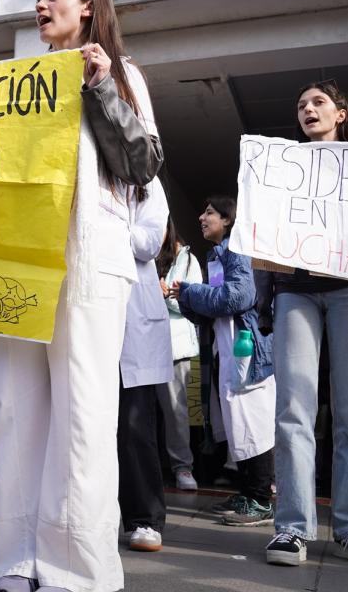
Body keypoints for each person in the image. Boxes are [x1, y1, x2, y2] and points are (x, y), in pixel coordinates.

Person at [0, 0, 163, 592]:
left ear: (88, 7)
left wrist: (99, 89)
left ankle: (75, 571)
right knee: (11, 408)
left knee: (83, 414)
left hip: (89, 256)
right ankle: (13, 558)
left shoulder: (119, 73)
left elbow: (142, 164)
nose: (39, 5)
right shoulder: (15, 83)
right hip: (15, 257)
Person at [261, 81, 348, 567]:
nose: (307, 110)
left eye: (317, 103)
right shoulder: (279, 168)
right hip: (295, 292)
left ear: (340, 113)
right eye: (300, 106)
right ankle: (292, 529)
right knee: (293, 411)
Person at [173, 197, 276, 527]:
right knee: (237, 421)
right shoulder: (216, 256)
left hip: (247, 352)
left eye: (209, 213)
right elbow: (212, 306)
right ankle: (248, 492)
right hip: (227, 351)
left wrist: (190, 292)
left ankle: (260, 499)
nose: (202, 218)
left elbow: (237, 296)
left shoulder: (237, 251)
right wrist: (186, 296)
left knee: (252, 420)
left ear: (228, 220)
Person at [117, 176, 174, 552]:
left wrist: (103, 223)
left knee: (135, 427)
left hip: (132, 322)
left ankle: (144, 519)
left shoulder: (147, 183)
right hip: (85, 312)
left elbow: (149, 241)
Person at [157, 227, 202, 492]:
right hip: (142, 342)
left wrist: (165, 295)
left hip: (176, 345)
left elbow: (193, 301)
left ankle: (182, 467)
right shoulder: (142, 257)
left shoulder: (187, 260)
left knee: (177, 411)